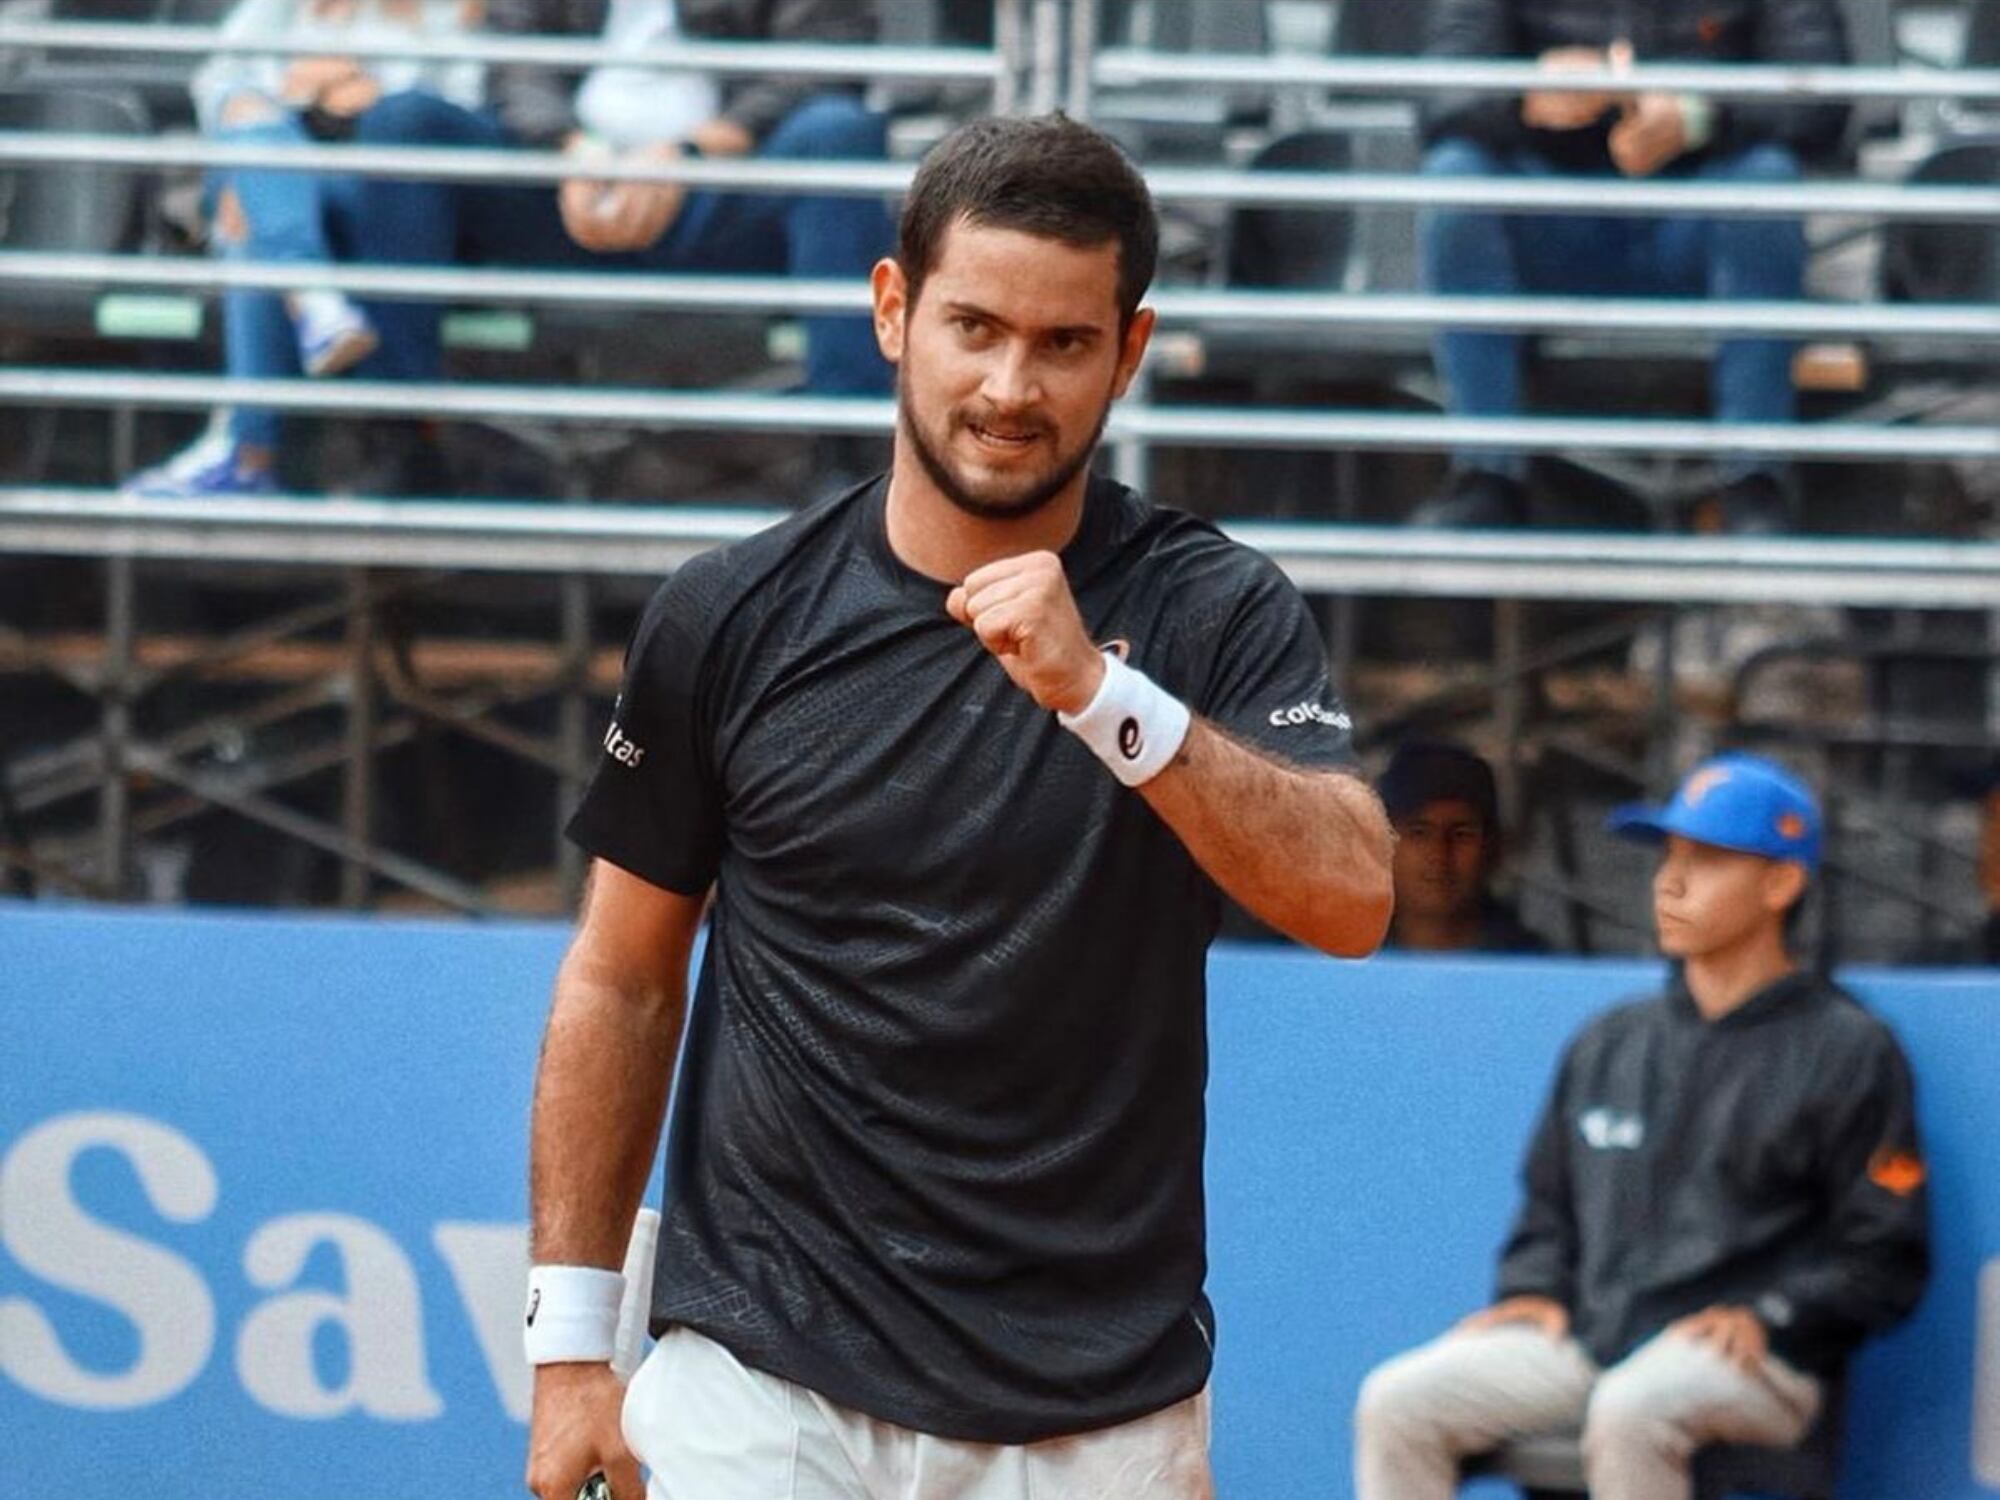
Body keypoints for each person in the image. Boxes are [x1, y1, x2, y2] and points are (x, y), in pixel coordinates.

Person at [521, 114, 1394, 1500]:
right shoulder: (730, 613)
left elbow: (1352, 899)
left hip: (1099, 1409)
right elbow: (623, 980)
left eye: (1062, 344)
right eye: (974, 327)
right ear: (892, 311)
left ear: (1132, 350)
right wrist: (571, 1350)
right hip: (764, 1380)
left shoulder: (1214, 610)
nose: (1010, 385)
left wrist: (1113, 704)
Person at [1353, 752, 1930, 1500]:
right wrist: (1534, 1287)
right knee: (1399, 1400)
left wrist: (1772, 1315)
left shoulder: (1850, 1049)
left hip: (1760, 1362)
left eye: (1708, 859)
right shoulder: (1611, 1041)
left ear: (1782, 882)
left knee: (1634, 1408)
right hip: (1596, 1342)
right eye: (1667, 855)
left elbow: (1885, 1253)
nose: (1670, 880)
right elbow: (1548, 1207)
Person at [1413, 0, 1851, 533]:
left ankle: (1754, 481)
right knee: (1456, 176)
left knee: (1767, 182)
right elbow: (1441, 94)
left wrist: (1701, 115)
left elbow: (1821, 96)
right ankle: (1486, 474)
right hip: (1555, 220)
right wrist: (1523, 95)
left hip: (1702, 218)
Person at [125, 0, 495, 498]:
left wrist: (366, 100)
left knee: (256, 199)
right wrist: (296, 98)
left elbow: (462, 122)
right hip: (285, 178)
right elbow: (217, 83)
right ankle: (311, 297)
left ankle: (248, 451)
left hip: (380, 211)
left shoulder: (454, 13)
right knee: (247, 119)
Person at [479, 0, 894, 401]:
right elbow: (513, 61)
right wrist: (570, 151)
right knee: (417, 123)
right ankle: (415, 434)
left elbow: (824, 52)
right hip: (559, 188)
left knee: (837, 132)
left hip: (731, 188)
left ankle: (854, 448)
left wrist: (693, 153)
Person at [1379, 739, 1549, 954]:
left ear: (1494, 848)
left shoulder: (1535, 970)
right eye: (1419, 833)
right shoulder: (1340, 963)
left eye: (1461, 835)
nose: (1439, 854)